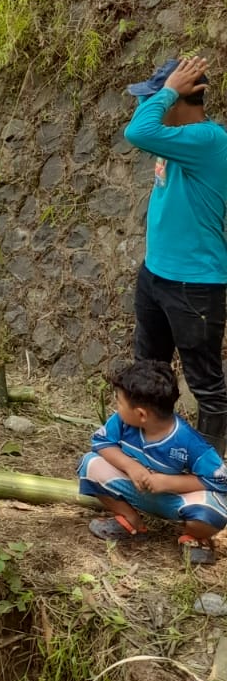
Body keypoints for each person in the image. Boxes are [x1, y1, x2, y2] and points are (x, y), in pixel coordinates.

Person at [125, 54, 227, 452]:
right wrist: (166, 94)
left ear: (185, 98)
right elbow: (142, 125)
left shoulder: (208, 140)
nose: (147, 104)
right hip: (156, 274)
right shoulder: (175, 140)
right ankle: (152, 453)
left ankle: (210, 472)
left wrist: (168, 92)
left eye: (162, 96)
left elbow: (137, 131)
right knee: (147, 372)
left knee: (206, 384)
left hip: (195, 283)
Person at [79, 359, 227, 565]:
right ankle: (130, 519)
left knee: (213, 512)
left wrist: (167, 483)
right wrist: (131, 466)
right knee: (90, 465)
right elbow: (102, 443)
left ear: (141, 414)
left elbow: (219, 480)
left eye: (119, 402)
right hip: (136, 489)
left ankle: (194, 537)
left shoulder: (189, 442)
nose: (116, 407)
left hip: (174, 499)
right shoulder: (121, 422)